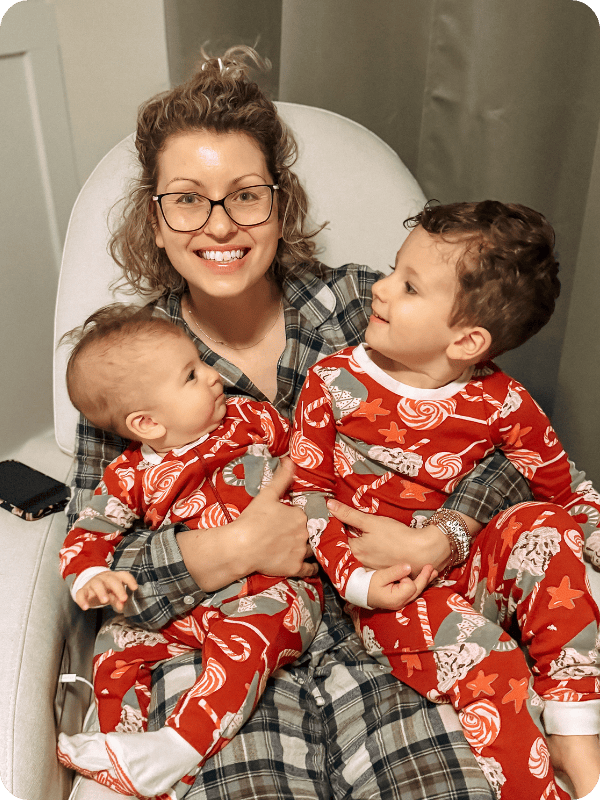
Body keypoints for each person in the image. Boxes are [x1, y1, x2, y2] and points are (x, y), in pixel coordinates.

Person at [66, 46, 562, 800]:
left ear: (280, 203)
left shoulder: (371, 305)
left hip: (398, 627)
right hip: (218, 656)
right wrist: (233, 548)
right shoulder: (125, 364)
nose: (219, 225)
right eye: (188, 200)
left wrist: (444, 535)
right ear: (156, 221)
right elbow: (99, 554)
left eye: (246, 195)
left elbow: (509, 441)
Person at [289, 200, 600, 799]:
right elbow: (310, 493)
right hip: (395, 590)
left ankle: (575, 732)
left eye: (408, 286)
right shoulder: (332, 382)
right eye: (393, 270)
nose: (380, 289)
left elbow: (562, 488)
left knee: (545, 525)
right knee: (490, 660)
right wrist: (358, 581)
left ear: (467, 340)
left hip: (471, 563)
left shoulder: (503, 400)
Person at [56, 304, 323, 798]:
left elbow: (312, 457)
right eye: (192, 375)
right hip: (188, 606)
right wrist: (90, 575)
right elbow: (89, 530)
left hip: (272, 590)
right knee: (115, 642)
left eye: (201, 363)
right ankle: (121, 743)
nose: (215, 375)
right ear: (147, 423)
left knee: (249, 638)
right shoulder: (128, 476)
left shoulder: (251, 419)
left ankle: (181, 744)